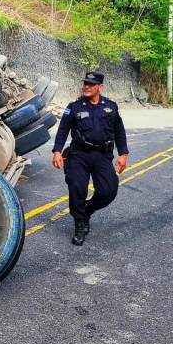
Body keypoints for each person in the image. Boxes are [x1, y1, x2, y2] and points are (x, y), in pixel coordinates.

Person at [51, 70, 128, 246]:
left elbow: (119, 131)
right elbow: (63, 130)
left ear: (99, 87)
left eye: (91, 84)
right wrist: (57, 151)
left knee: (108, 191)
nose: (86, 86)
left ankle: (86, 211)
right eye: (85, 83)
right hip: (79, 155)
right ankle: (79, 224)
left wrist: (123, 154)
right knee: (77, 187)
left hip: (102, 156)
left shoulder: (110, 107)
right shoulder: (74, 107)